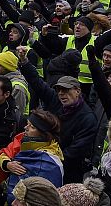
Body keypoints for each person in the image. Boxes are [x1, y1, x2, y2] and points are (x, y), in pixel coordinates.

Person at [18, 47, 98, 184]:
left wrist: (51, 158)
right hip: (44, 161)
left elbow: (76, 150)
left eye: (66, 90)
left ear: (77, 91)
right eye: (59, 90)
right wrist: (24, 62)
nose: (61, 93)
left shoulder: (87, 118)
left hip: (68, 171)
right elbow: (37, 82)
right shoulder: (55, 99)